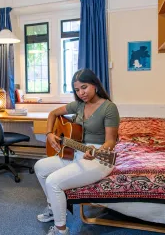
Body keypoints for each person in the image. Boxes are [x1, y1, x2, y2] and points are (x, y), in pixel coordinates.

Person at [34, 68, 120, 235]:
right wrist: (49, 134)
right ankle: (53, 208)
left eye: (84, 87)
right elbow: (52, 114)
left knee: (53, 181)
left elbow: (110, 141)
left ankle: (61, 231)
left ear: (95, 84)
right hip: (75, 152)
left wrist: (96, 151)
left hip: (99, 158)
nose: (81, 93)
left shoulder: (109, 108)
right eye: (77, 90)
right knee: (39, 167)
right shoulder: (79, 105)